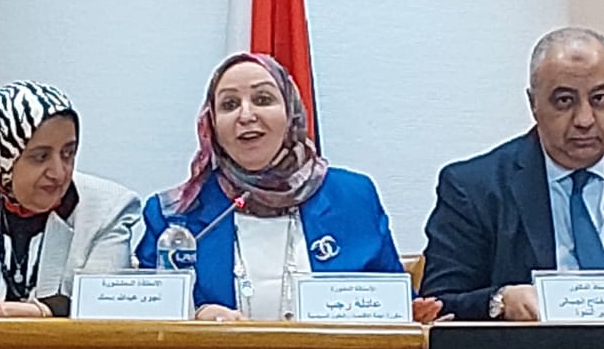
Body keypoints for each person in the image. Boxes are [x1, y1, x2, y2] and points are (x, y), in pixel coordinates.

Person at [137, 52, 440, 322]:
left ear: (290, 112)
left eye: (263, 99)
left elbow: (389, 294)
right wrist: (196, 314)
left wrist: (409, 313)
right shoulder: (175, 214)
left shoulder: (353, 198)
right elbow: (147, 316)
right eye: (229, 105)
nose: (246, 115)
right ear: (212, 123)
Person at [419, 27, 604, 320]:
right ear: (533, 104)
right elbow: (437, 305)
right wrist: (499, 300)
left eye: (600, 99)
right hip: (529, 348)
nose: (585, 120)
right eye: (565, 100)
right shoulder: (474, 188)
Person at [0, 81, 142, 317]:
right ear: (3, 158)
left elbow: (103, 305)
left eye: (68, 154)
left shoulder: (108, 211)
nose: (58, 172)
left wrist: (37, 311)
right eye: (40, 157)